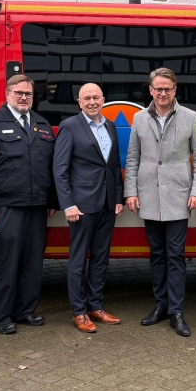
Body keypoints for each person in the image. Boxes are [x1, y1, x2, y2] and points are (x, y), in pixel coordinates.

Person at [124, 68, 196, 337]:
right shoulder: (138, 118)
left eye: (167, 89)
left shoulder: (191, 118)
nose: (162, 93)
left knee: (176, 257)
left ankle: (177, 311)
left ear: (175, 90)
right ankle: (160, 305)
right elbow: (133, 158)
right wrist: (131, 192)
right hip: (148, 196)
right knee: (157, 256)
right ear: (150, 90)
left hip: (179, 197)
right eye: (158, 89)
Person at [0, 75, 57, 335]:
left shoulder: (42, 125)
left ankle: (25, 311)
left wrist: (52, 200)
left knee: (32, 263)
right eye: (19, 93)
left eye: (28, 94)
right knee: (4, 264)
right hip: (5, 207)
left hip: (36, 207)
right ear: (8, 94)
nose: (24, 97)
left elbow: (52, 167)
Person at [53, 83, 124, 333]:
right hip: (81, 206)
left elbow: (113, 166)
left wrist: (118, 198)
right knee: (78, 260)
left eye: (96, 97)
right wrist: (68, 203)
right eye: (87, 98)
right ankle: (79, 312)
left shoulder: (111, 125)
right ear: (79, 102)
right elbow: (59, 169)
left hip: (107, 204)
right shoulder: (70, 126)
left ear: (103, 99)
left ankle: (96, 306)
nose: (92, 102)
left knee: (101, 259)